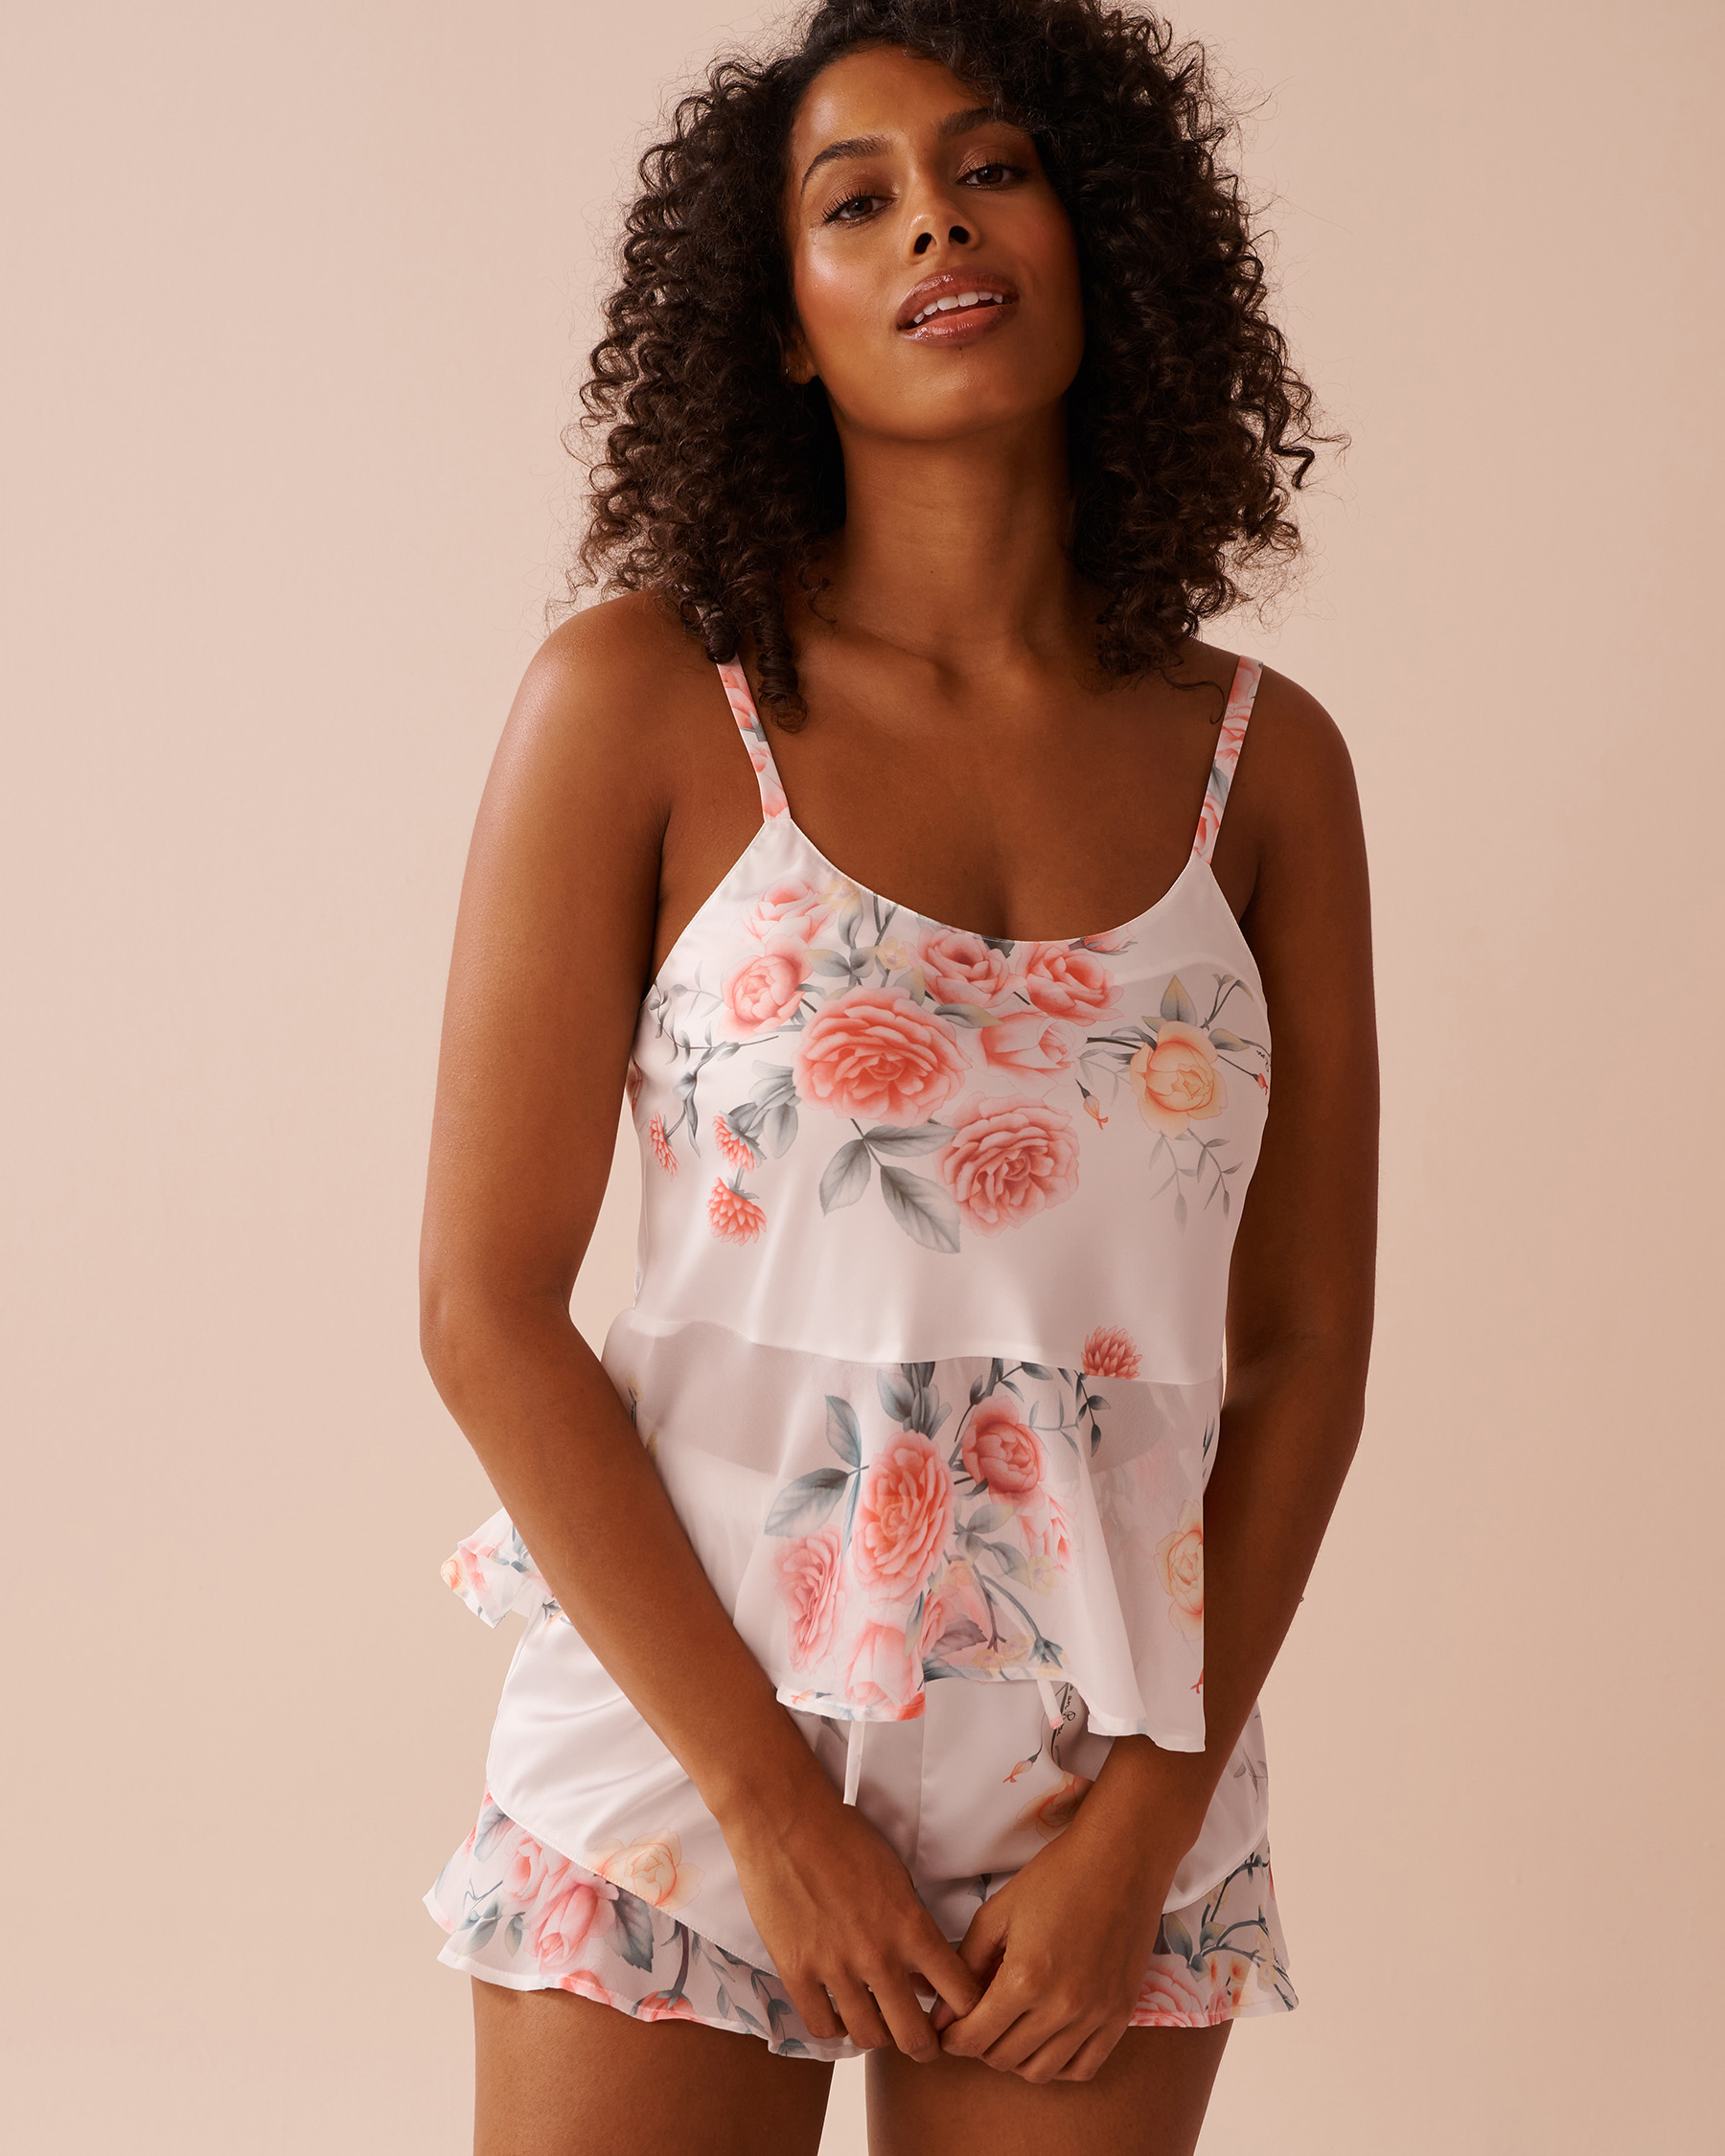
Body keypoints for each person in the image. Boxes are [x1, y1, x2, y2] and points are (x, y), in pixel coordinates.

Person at [418, 4, 1377, 2149]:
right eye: (856, 201)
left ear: (1095, 235)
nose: (936, 219)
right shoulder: (644, 699)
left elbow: (1307, 1349)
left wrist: (1152, 1813)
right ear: (783, 323)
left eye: (992, 167)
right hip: (691, 1726)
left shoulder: (1265, 767)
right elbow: (484, 1306)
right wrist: (771, 1803)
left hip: (1107, 1768)